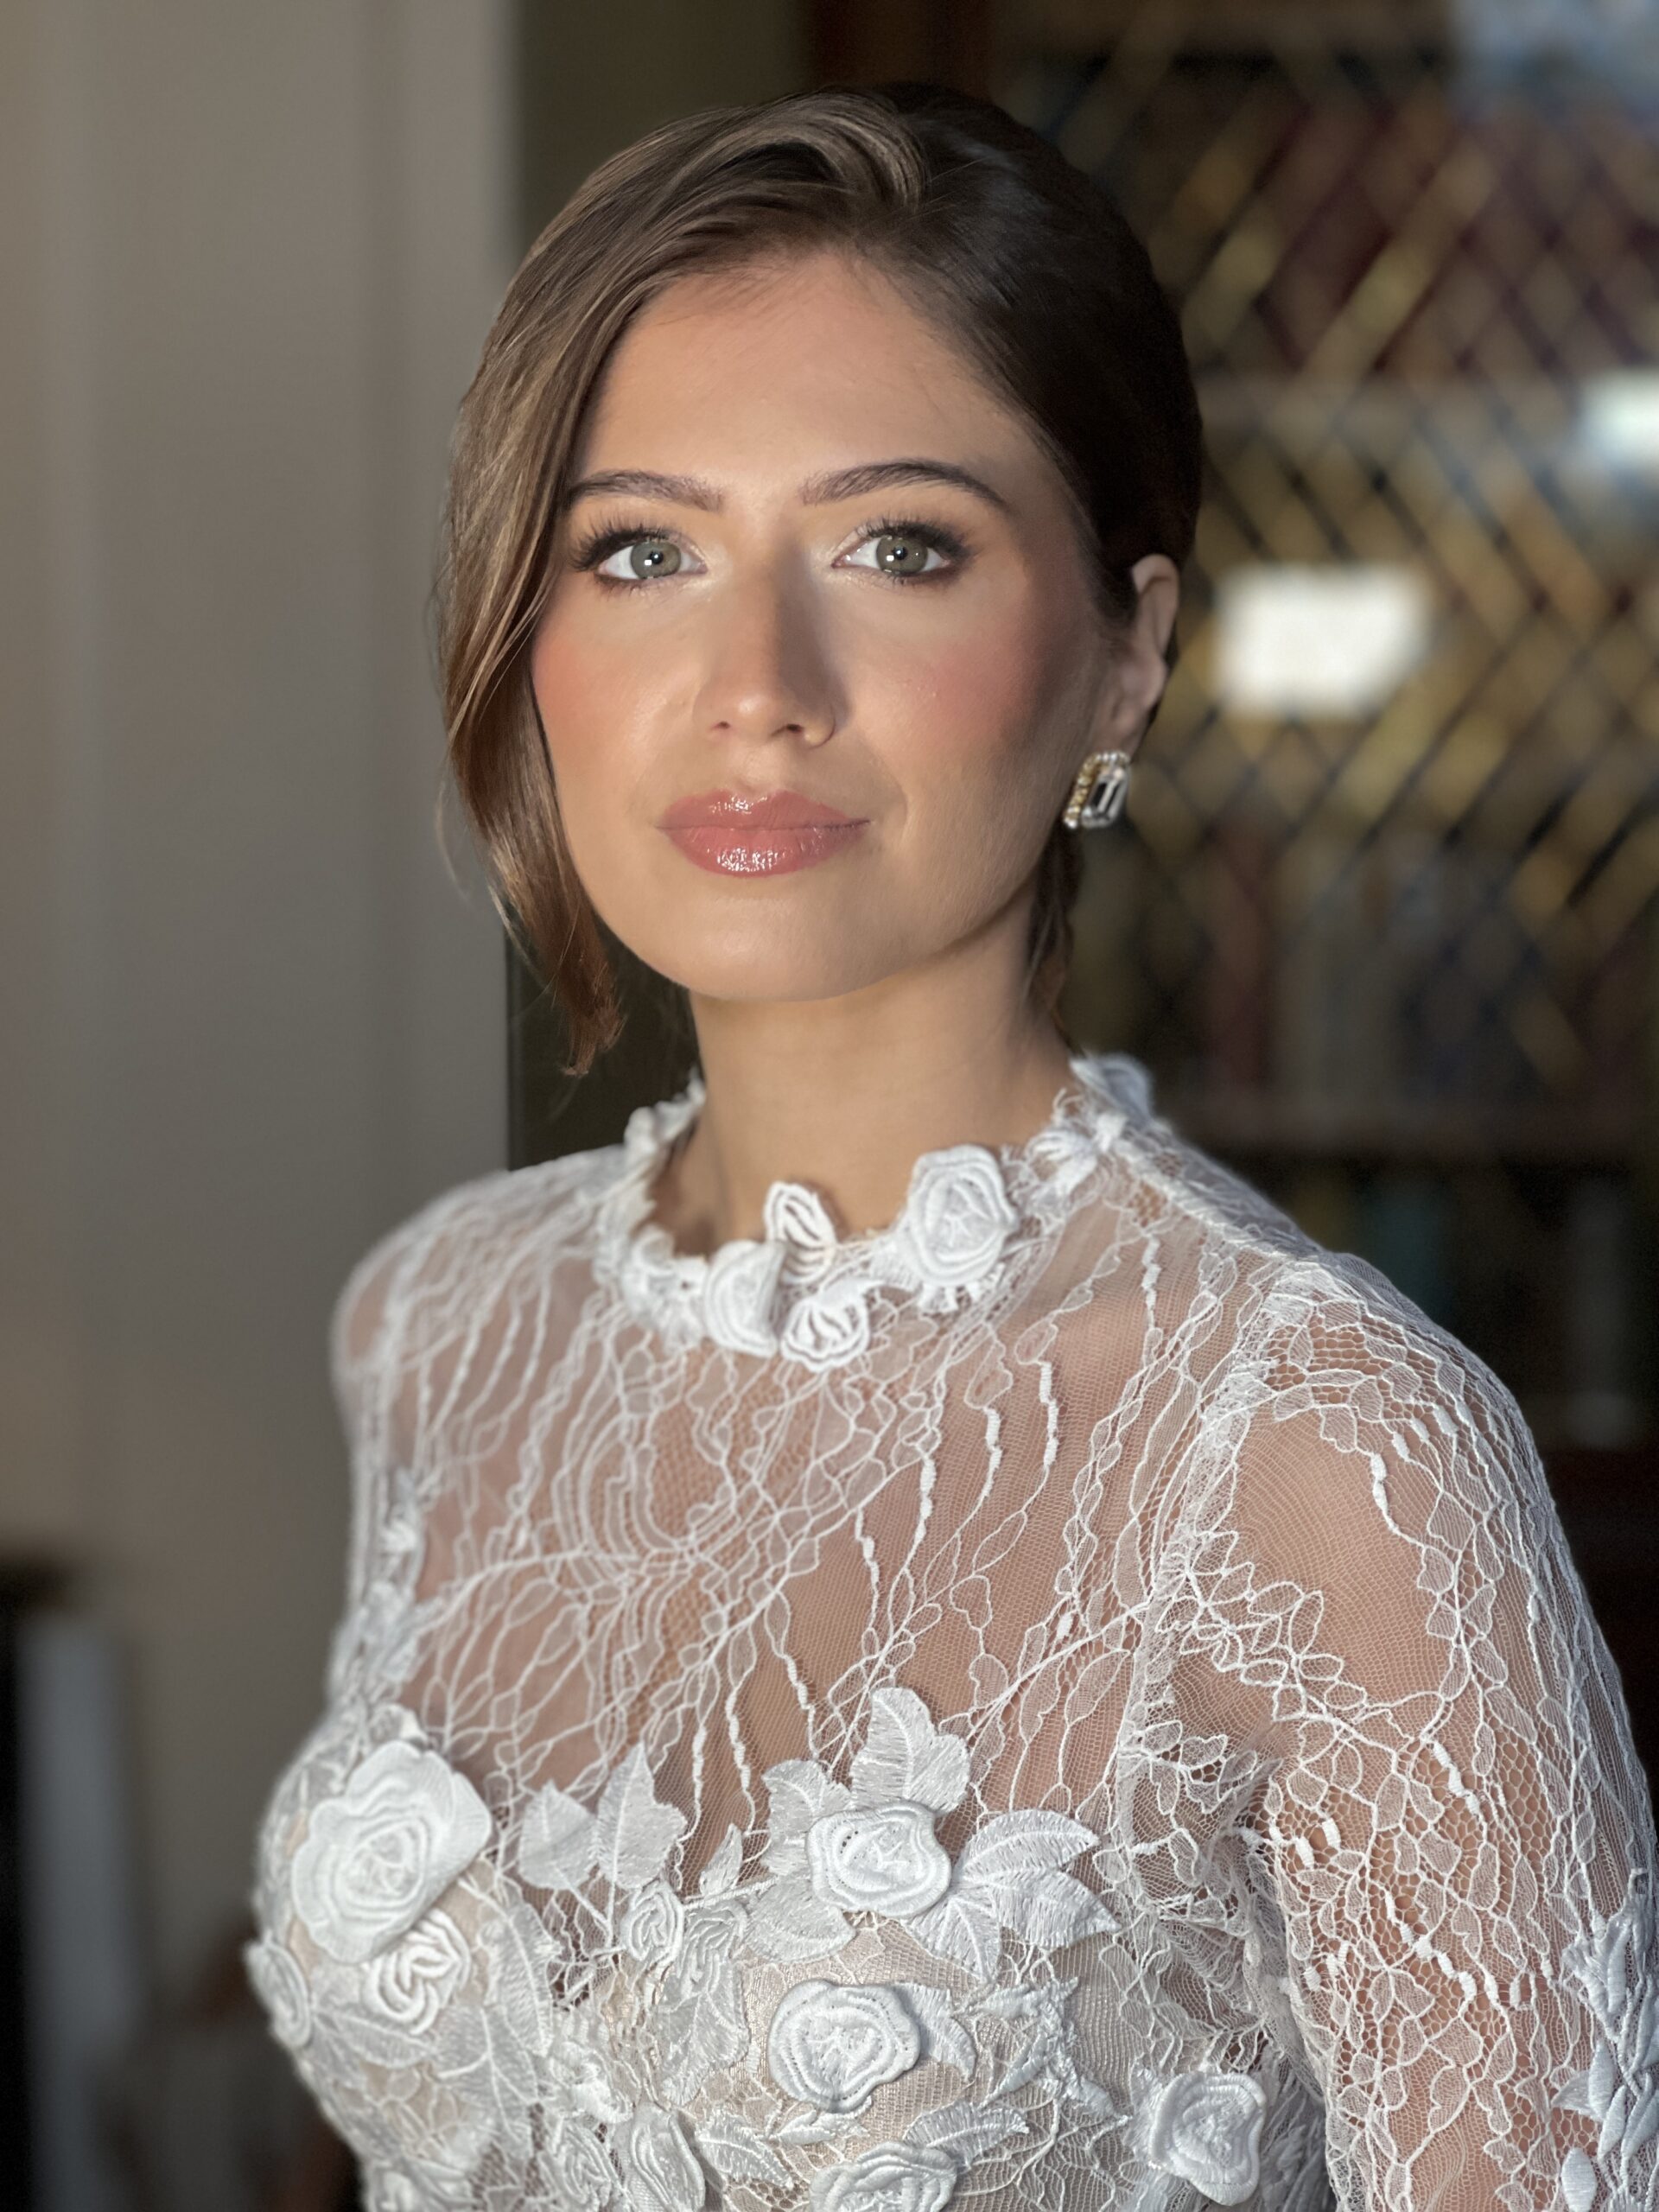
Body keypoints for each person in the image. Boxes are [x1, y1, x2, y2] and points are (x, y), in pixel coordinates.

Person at [245, 83, 1657, 2212]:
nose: (755, 682)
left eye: (898, 545)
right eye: (643, 549)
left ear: (1126, 654)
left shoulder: (1323, 1452)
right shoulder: (440, 1322)